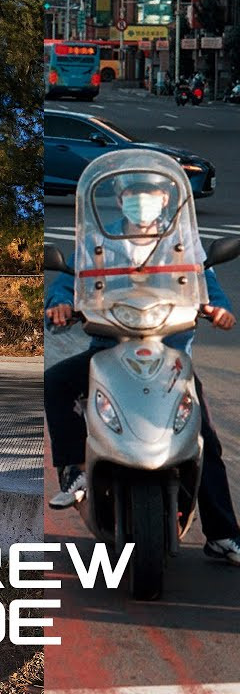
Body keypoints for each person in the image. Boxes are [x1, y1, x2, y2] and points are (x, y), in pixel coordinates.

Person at [44, 175, 240, 564]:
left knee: (204, 438)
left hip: (170, 359)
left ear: (166, 197)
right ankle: (75, 470)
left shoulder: (183, 245)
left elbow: (209, 288)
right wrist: (59, 305)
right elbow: (68, 284)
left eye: (150, 192)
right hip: (110, 351)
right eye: (133, 193)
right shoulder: (98, 243)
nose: (142, 200)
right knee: (56, 381)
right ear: (120, 197)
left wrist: (219, 311)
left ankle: (221, 534)